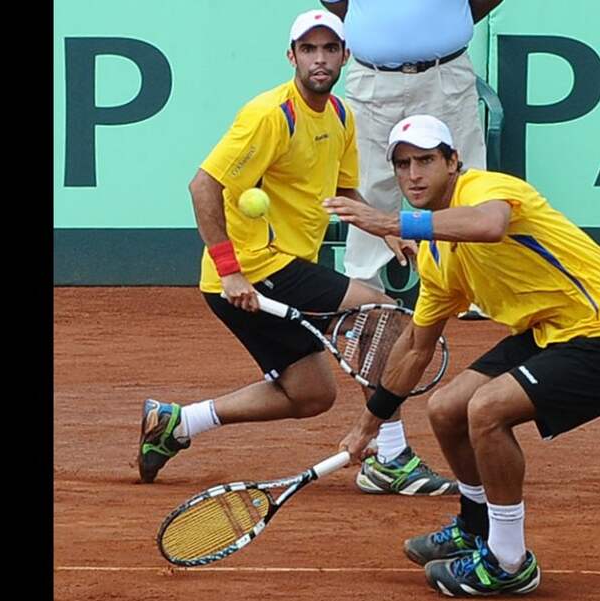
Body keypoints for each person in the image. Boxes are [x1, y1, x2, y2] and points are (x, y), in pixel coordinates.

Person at [324, 114, 600, 597]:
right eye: (402, 165)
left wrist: (389, 221)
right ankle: (476, 525)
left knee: (486, 411)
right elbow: (416, 346)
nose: (413, 175)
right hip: (552, 329)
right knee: (446, 409)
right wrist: (368, 425)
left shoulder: (488, 189)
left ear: (453, 162)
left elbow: (489, 225)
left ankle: (509, 561)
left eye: (426, 160)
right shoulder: (437, 256)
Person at [136, 11, 456, 497]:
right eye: (309, 49)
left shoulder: (343, 115)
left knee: (311, 395)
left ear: (346, 57)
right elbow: (203, 186)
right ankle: (390, 458)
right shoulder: (269, 116)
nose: (320, 59)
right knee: (382, 317)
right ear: (292, 57)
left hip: (285, 267)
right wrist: (231, 271)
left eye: (330, 49)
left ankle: (177, 423)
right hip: (254, 269)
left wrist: (388, 230)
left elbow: (346, 189)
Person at [319, 0, 500, 320]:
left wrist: (446, 26)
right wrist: (379, 33)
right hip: (373, 75)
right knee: (367, 181)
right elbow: (336, 3)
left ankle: (479, 287)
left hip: (445, 71)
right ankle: (364, 291)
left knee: (463, 177)